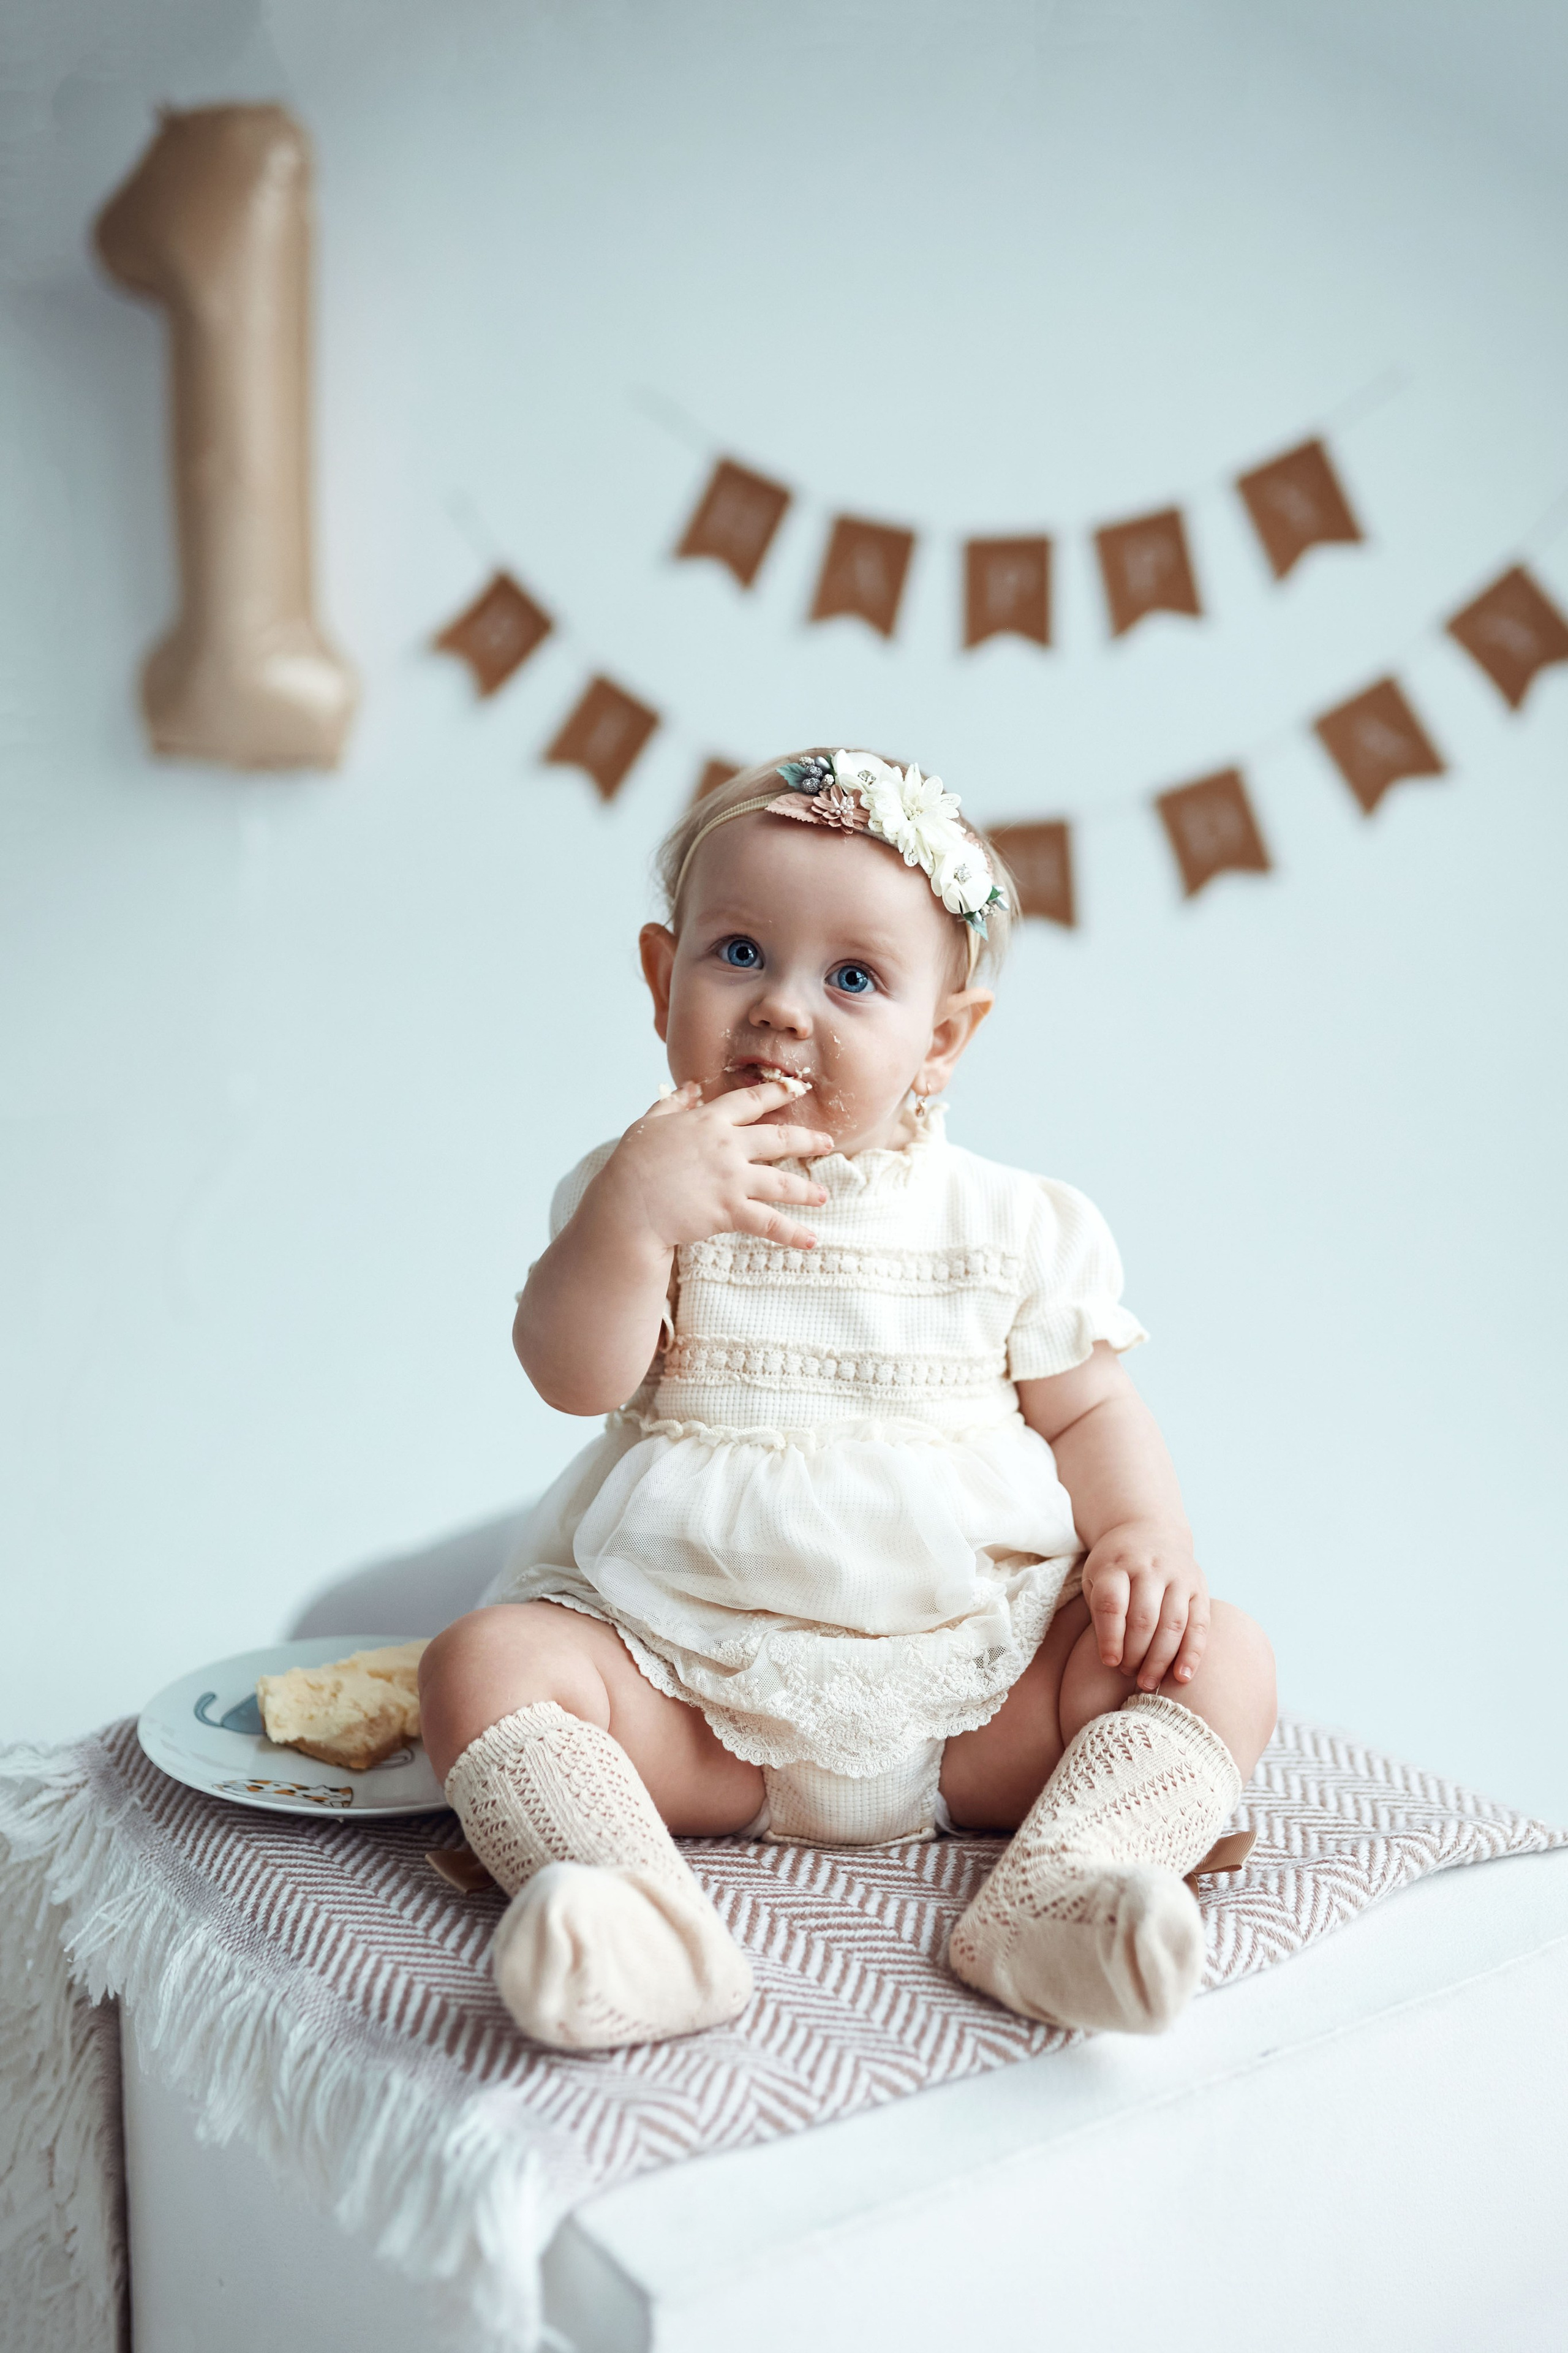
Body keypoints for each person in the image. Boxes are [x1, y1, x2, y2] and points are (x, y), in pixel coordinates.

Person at [420, 749, 1276, 2052]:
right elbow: (569, 1373)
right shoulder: (633, 1192)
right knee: (482, 1663)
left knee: (1221, 1654)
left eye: (853, 978)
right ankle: (637, 1913)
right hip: (694, 1698)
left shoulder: (1007, 1223)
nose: (780, 1009)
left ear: (941, 1037)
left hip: (973, 1699)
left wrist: (1138, 1537)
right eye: (739, 953)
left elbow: (1090, 1413)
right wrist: (636, 1219)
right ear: (661, 979)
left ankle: (1061, 1889)